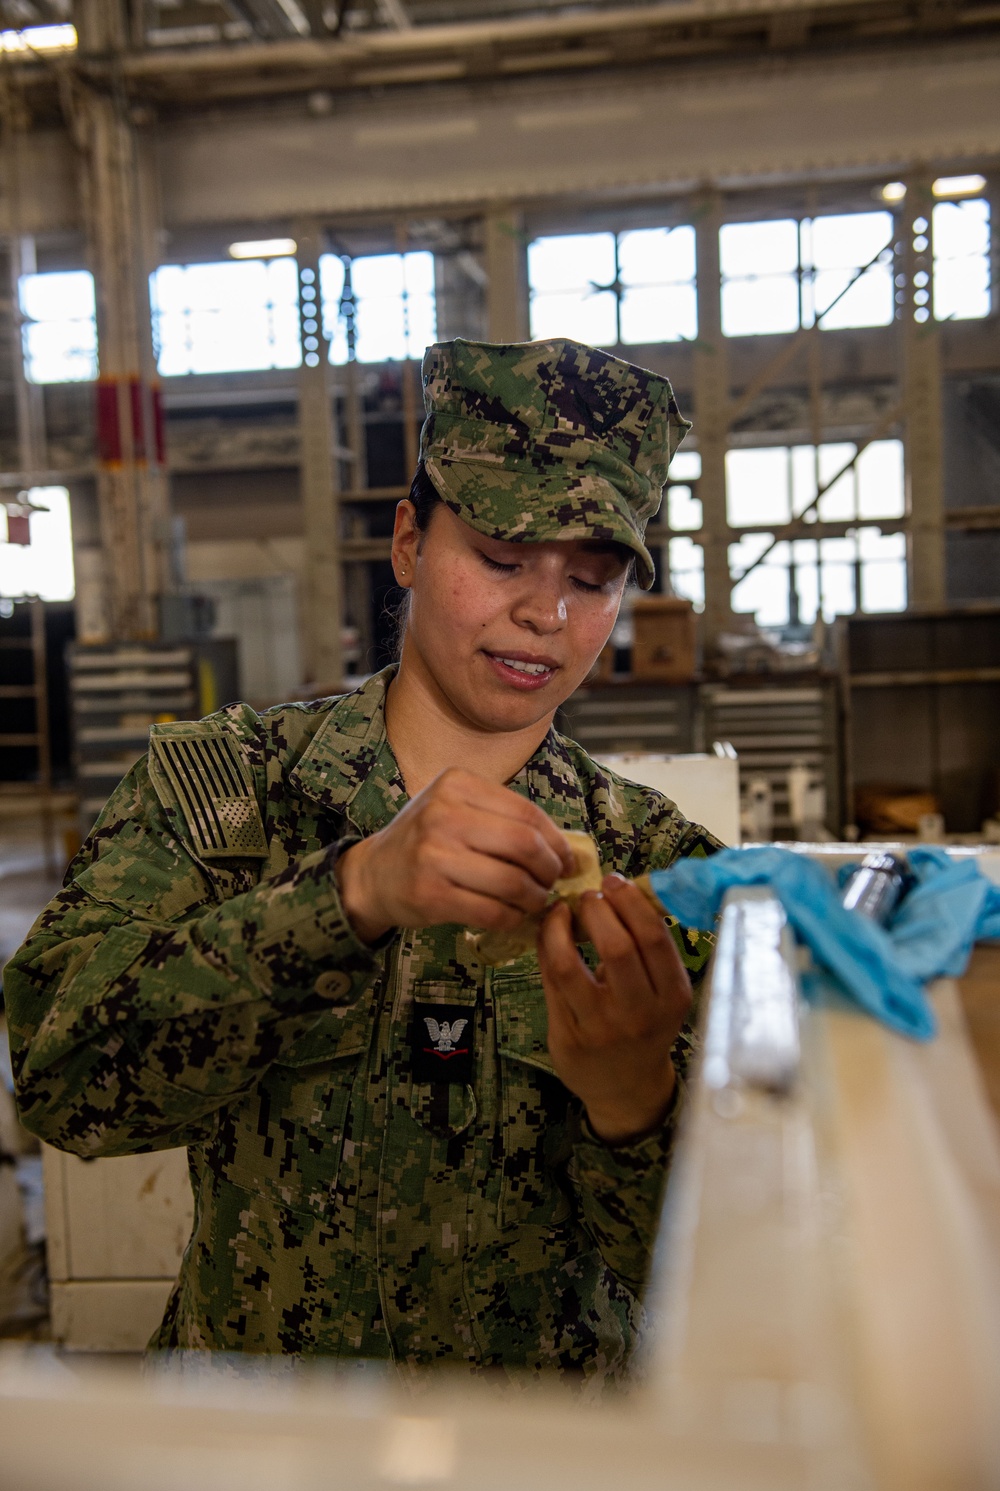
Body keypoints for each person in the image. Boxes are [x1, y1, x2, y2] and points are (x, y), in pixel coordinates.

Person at [5, 337, 721, 1385]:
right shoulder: (226, 793)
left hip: (540, 1458)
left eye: (592, 577)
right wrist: (345, 897)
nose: (545, 614)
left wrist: (631, 1101)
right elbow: (63, 1085)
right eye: (500, 557)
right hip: (262, 1442)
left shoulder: (660, 868)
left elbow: (736, 1275)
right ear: (405, 541)